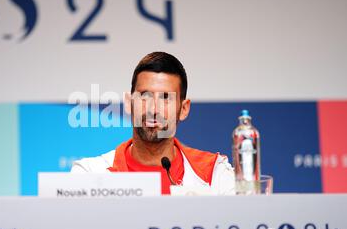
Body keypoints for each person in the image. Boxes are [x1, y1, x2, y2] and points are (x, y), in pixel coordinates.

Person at [71, 52, 235, 195]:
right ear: (129, 103)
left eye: (165, 98)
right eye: (145, 96)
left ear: (184, 109)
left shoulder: (215, 174)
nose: (153, 109)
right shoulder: (90, 175)